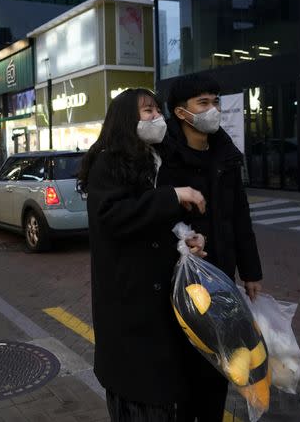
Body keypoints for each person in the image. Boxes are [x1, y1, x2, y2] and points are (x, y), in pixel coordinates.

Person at [77, 88, 208, 421]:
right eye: (148, 111)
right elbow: (114, 216)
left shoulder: (156, 160)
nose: (156, 117)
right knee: (139, 398)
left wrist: (186, 239)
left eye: (156, 110)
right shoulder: (108, 162)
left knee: (165, 396)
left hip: (162, 309)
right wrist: (173, 197)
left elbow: (158, 223)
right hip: (129, 313)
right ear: (126, 119)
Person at [157, 73, 264, 421]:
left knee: (220, 367)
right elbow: (155, 216)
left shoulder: (225, 154)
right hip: (181, 284)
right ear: (180, 112)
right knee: (186, 371)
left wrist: (251, 272)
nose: (213, 109)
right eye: (203, 103)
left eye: (215, 101)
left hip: (222, 278)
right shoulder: (166, 160)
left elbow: (240, 217)